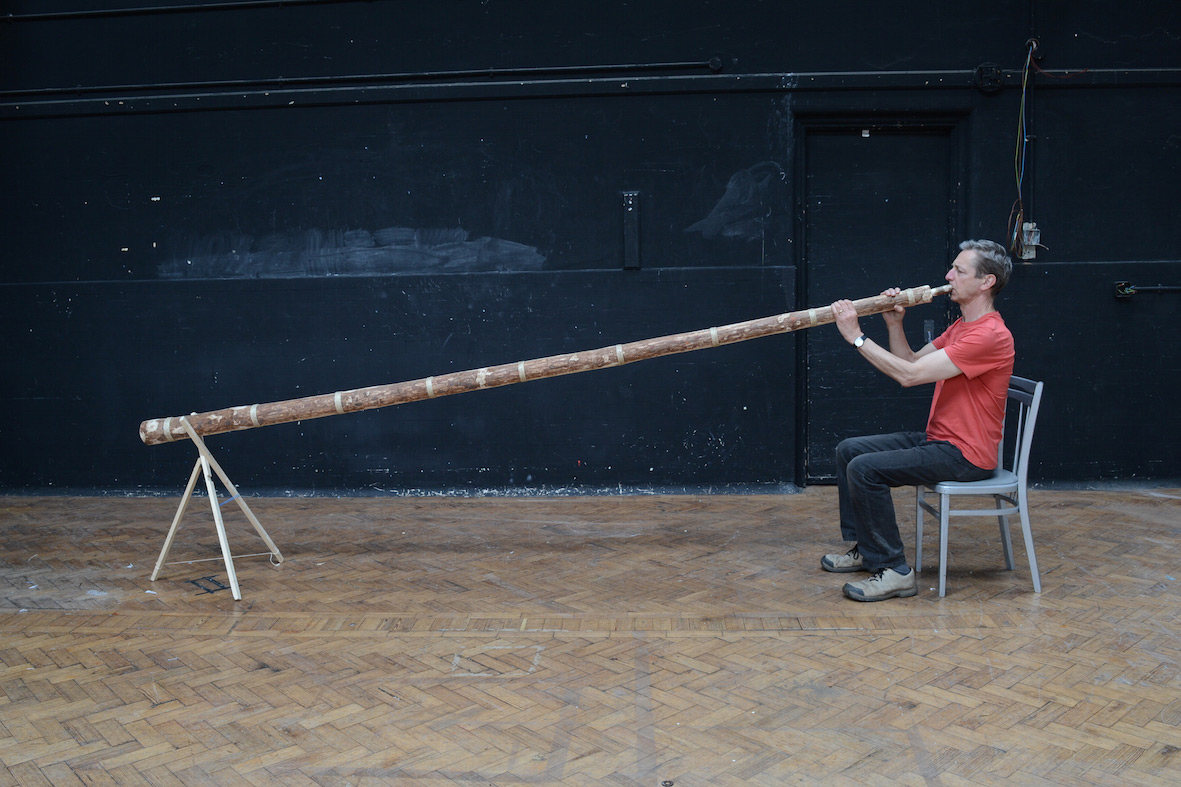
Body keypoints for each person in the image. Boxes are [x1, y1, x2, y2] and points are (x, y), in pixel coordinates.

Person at [822, 239, 1015, 601]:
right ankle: (869, 548)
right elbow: (911, 362)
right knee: (850, 451)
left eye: (959, 271)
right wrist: (894, 323)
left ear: (986, 282)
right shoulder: (962, 327)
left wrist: (856, 337)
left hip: (966, 454)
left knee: (865, 470)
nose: (948, 276)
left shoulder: (989, 335)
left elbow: (908, 378)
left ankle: (895, 571)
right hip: (940, 441)